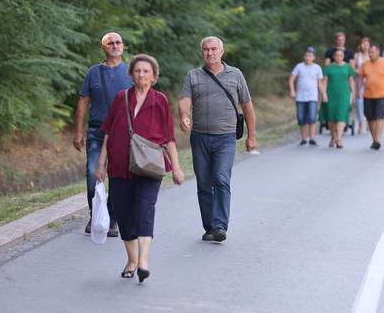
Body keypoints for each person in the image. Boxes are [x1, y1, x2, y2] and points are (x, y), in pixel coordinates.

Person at [95, 54, 184, 283]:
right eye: (138, 71)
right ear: (131, 74)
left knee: (144, 209)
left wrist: (176, 167)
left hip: (150, 167)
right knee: (124, 214)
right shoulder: (120, 98)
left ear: (154, 76)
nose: (141, 74)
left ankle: (144, 261)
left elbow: (169, 138)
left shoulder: (160, 101)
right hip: (120, 165)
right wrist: (101, 163)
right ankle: (132, 260)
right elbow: (108, 132)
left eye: (146, 71)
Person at [178, 36, 257, 243]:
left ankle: (220, 226)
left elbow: (247, 105)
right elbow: (185, 101)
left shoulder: (235, 74)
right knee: (204, 183)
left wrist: (252, 135)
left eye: (213, 49)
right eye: (205, 49)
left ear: (222, 51)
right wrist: (184, 116)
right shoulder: (193, 75)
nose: (209, 52)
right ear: (201, 52)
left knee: (221, 178)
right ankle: (210, 226)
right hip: (200, 137)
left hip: (226, 137)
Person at [74, 32, 133, 237]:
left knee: (117, 178)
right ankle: (95, 214)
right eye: (110, 43)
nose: (115, 45)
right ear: (103, 48)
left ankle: (113, 220)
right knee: (93, 175)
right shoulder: (93, 72)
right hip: (97, 132)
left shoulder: (132, 72)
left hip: (123, 133)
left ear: (123, 46)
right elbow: (83, 102)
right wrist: (78, 131)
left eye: (118, 42)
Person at [357, 44, 384, 150]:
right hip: (368, 95)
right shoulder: (365, 64)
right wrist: (358, 90)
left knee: (379, 116)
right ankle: (374, 139)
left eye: (372, 52)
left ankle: (378, 139)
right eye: (369, 52)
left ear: (378, 52)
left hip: (382, 94)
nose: (370, 54)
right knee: (370, 118)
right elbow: (360, 77)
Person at [289, 47, 323, 146]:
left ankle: (312, 138)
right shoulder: (299, 67)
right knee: (301, 118)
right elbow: (291, 79)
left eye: (310, 56)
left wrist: (323, 94)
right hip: (300, 97)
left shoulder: (317, 68)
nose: (308, 58)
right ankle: (303, 139)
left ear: (314, 57)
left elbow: (320, 83)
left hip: (312, 97)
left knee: (312, 118)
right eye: (307, 56)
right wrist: (292, 90)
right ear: (304, 57)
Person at [321, 49, 355, 148]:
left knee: (341, 115)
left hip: (344, 94)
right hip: (331, 94)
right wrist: (323, 93)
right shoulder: (328, 67)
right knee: (331, 117)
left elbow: (351, 81)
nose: (339, 57)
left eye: (341, 55)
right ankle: (333, 136)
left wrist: (353, 93)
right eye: (337, 55)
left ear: (343, 56)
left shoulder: (348, 67)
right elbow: (324, 81)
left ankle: (339, 138)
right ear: (334, 57)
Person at [354, 37, 371, 134]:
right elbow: (353, 68)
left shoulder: (372, 55)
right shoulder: (357, 55)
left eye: (367, 44)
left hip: (369, 82)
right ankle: (361, 123)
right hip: (359, 81)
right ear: (361, 45)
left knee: (368, 103)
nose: (365, 46)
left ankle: (369, 122)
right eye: (364, 44)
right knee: (359, 102)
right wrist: (360, 72)